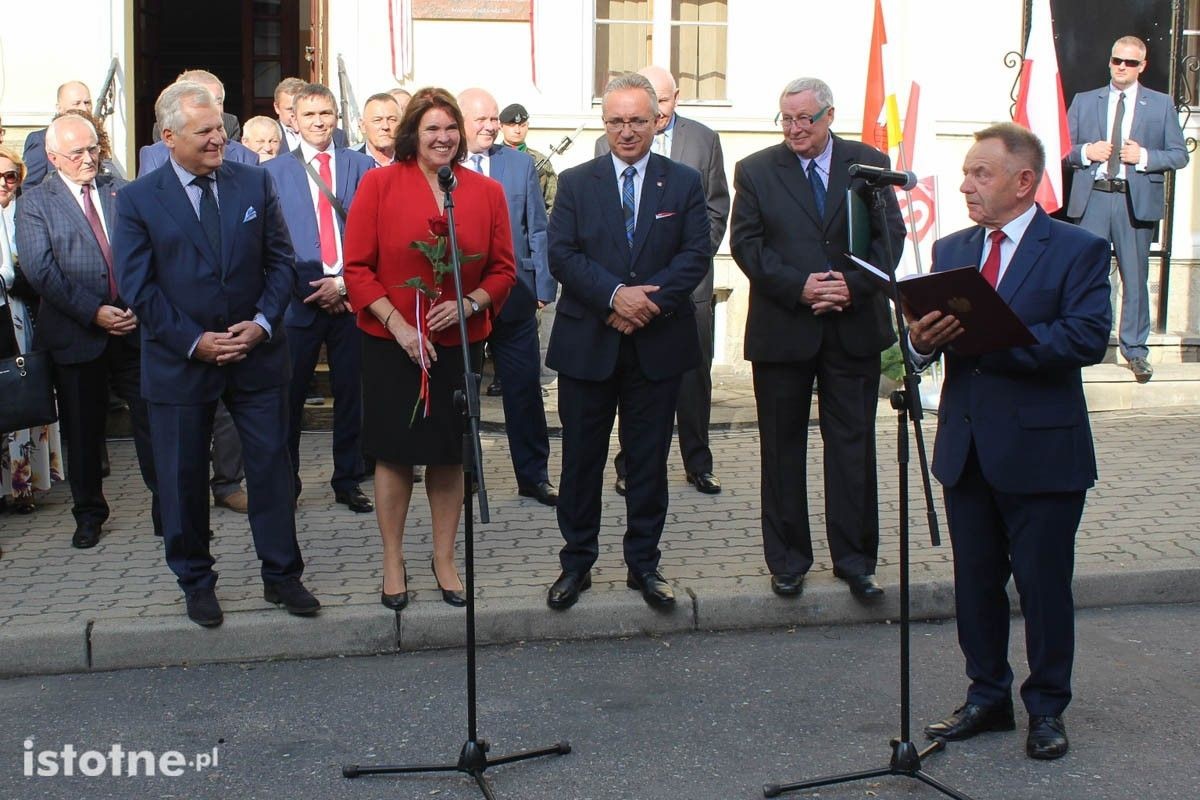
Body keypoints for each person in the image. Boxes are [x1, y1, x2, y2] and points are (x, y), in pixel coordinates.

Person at [909, 122, 1111, 761]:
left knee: (1044, 588)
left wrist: (996, 336)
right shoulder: (951, 250)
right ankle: (986, 696)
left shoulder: (1076, 249)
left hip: (1042, 451)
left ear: (1024, 182)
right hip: (967, 448)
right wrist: (921, 342)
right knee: (975, 584)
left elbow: (1085, 338)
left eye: (981, 174)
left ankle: (1047, 707)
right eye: (967, 173)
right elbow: (923, 339)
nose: (966, 185)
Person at [113, 81, 318, 627]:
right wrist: (192, 341)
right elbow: (139, 287)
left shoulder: (253, 183)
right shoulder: (136, 199)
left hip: (256, 355)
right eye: (203, 132)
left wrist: (262, 323)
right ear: (168, 136)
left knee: (272, 468)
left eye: (220, 129)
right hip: (180, 362)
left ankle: (282, 576)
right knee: (182, 478)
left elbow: (282, 262)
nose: (217, 140)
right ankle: (196, 581)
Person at [730, 77, 904, 602]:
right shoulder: (757, 170)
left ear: (829, 116)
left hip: (852, 327)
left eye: (804, 119)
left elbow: (889, 237)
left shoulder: (866, 163)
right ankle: (787, 561)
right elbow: (747, 245)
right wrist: (800, 288)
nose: (794, 128)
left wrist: (850, 287)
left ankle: (855, 562)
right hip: (784, 327)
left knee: (852, 448)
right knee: (782, 449)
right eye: (786, 118)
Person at [342, 87, 516, 611]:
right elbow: (357, 269)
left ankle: (444, 557)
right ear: (412, 134)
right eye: (431, 129)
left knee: (448, 455)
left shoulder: (484, 192)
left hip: (457, 343)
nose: (443, 138)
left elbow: (505, 269)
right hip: (393, 343)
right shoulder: (378, 185)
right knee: (395, 455)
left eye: (450, 128)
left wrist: (468, 304)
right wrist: (398, 325)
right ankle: (393, 558)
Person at [544, 72, 709, 611]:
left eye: (638, 119)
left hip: (656, 345)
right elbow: (562, 255)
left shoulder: (682, 182)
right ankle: (576, 564)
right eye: (616, 120)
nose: (626, 131)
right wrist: (615, 296)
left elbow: (694, 255)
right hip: (589, 343)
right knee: (581, 462)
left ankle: (644, 566)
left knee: (647, 462)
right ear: (604, 122)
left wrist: (646, 303)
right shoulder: (575, 181)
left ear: (657, 121)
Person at [17, 115, 162, 548]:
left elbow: (149, 251)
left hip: (134, 329)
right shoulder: (35, 201)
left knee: (154, 422)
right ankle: (89, 514)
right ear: (53, 156)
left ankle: (168, 511)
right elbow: (42, 271)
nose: (88, 158)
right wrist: (94, 312)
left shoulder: (120, 191)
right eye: (77, 152)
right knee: (83, 430)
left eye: (93, 148)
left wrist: (136, 303)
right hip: (77, 334)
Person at [596, 65, 729, 497]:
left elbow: (714, 210)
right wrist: (626, 293)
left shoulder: (703, 140)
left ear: (670, 102)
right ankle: (629, 466)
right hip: (625, 294)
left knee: (693, 380)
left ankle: (698, 462)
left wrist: (672, 276)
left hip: (685, 289)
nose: (632, 126)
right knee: (629, 383)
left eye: (662, 100)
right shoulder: (606, 143)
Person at [264, 83, 375, 514]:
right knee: (288, 399)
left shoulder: (361, 166)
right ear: (292, 118)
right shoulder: (273, 172)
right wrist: (310, 288)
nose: (319, 122)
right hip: (298, 303)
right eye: (309, 115)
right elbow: (272, 243)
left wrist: (344, 283)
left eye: (326, 113)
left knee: (352, 395)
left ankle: (348, 479)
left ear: (337, 116)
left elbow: (373, 231)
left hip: (351, 298)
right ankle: (285, 482)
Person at [1066, 34, 1188, 384]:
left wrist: (1145, 157)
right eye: (1117, 60)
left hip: (1133, 201)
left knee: (1135, 279)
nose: (1122, 67)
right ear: (1109, 61)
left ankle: (1135, 351)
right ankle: (1084, 345)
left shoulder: (1160, 104)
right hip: (1093, 199)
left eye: (1130, 62)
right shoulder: (1086, 101)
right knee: (1087, 277)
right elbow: (1062, 148)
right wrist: (1086, 151)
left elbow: (1179, 154)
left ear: (1142, 66)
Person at [459, 88, 557, 507]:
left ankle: (533, 476)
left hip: (514, 297)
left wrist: (543, 285)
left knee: (523, 390)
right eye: (481, 119)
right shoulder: (443, 164)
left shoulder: (519, 165)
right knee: (463, 391)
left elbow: (536, 227)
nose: (491, 126)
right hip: (460, 301)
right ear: (461, 119)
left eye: (494, 118)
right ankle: (466, 477)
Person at [0, 145, 63, 513]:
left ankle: (24, 484)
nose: (5, 183)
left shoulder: (27, 211)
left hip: (23, 316)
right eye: (0, 176)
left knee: (23, 390)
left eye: (12, 176)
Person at [139, 71, 259, 175]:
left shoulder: (246, 157)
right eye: (203, 101)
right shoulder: (155, 156)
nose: (214, 109)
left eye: (218, 101)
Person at [22, 81, 92, 187]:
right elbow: (30, 186)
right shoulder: (42, 139)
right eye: (76, 103)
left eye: (87, 103)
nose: (84, 108)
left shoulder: (96, 138)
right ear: (59, 108)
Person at [151, 69, 242, 143]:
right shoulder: (164, 127)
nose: (215, 109)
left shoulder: (230, 123)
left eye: (218, 102)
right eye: (205, 101)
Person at [499, 102, 557, 212]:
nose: (517, 130)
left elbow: (553, 202)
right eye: (512, 125)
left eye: (522, 125)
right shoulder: (491, 157)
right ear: (500, 126)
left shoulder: (540, 161)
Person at [274, 77, 348, 152]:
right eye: (291, 109)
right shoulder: (266, 135)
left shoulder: (338, 136)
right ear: (277, 107)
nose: (294, 114)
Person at [357, 93, 401, 166]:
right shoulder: (350, 165)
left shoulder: (413, 162)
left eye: (392, 120)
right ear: (363, 126)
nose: (385, 126)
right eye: (377, 120)